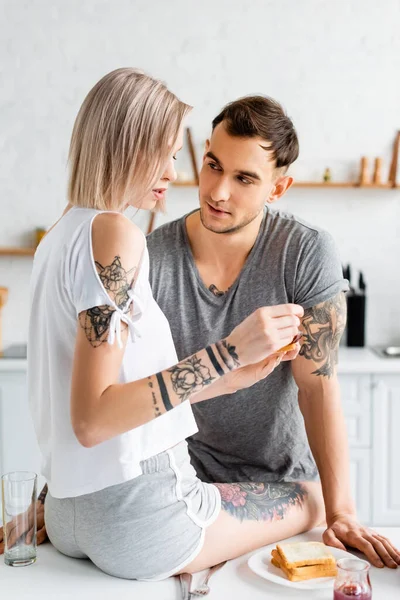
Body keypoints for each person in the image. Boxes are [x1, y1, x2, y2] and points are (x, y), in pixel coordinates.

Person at [2, 82, 399, 572]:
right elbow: (102, 400)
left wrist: (342, 512)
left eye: (244, 178)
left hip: (269, 478)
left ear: (278, 187)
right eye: (212, 165)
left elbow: (317, 389)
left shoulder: (305, 252)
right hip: (179, 490)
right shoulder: (148, 250)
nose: (216, 191)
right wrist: (56, 497)